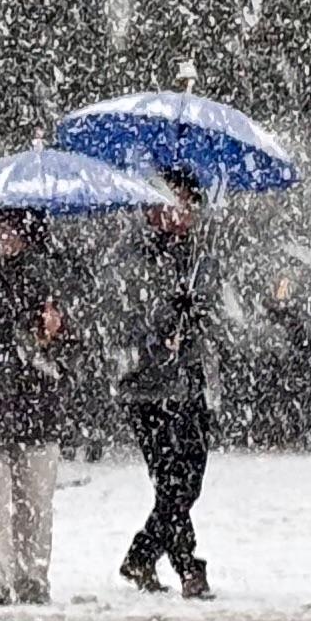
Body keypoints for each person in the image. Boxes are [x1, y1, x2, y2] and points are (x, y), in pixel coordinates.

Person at [0, 208, 72, 606]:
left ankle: (31, 575)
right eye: (0, 226)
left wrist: (56, 335)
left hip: (35, 405)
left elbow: (77, 347)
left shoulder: (56, 278)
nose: (6, 236)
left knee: (34, 500)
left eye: (14, 228)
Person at [119, 176, 218, 599]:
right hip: (147, 389)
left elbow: (211, 308)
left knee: (189, 479)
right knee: (170, 480)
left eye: (189, 205)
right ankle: (187, 565)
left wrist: (195, 312)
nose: (184, 215)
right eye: (176, 204)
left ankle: (142, 554)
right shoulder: (133, 258)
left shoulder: (197, 257)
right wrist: (161, 333)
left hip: (188, 383)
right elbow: (124, 313)